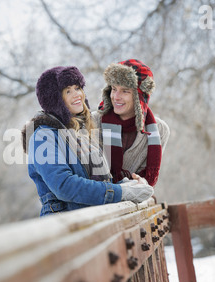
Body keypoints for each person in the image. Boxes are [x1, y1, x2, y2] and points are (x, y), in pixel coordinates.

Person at [22, 66, 154, 217]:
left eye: (77, 88)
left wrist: (129, 186)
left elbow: (95, 185)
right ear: (54, 99)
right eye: (67, 91)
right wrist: (121, 192)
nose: (77, 95)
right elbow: (65, 186)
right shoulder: (44, 136)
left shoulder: (82, 133)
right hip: (65, 225)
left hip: (93, 220)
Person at [93, 59, 170, 187]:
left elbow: (147, 179)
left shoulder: (160, 130)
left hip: (134, 202)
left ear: (140, 97)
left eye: (125, 91)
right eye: (114, 89)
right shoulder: (93, 122)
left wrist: (143, 182)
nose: (116, 96)